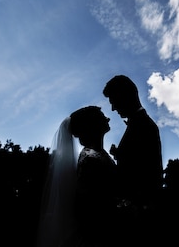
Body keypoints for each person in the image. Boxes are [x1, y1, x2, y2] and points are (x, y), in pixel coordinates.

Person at [36, 106, 117, 247]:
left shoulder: (98, 155)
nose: (107, 118)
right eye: (101, 116)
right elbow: (89, 206)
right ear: (91, 125)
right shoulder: (90, 159)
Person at [102, 75, 163, 245]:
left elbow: (151, 175)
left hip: (140, 222)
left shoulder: (145, 126)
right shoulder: (138, 124)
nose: (113, 108)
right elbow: (136, 163)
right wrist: (119, 155)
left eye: (114, 101)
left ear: (126, 96)